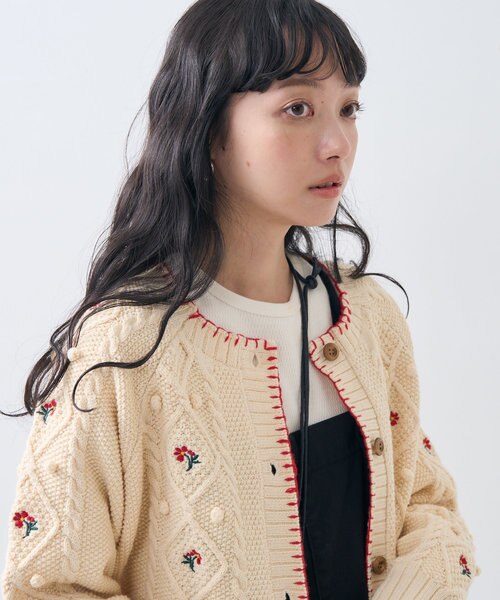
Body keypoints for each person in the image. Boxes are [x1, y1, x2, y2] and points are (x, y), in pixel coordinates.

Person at [1, 0, 480, 598]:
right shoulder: (124, 346)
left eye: (349, 108)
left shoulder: (365, 316)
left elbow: (428, 507)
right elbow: (47, 585)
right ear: (208, 128)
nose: (337, 143)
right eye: (297, 108)